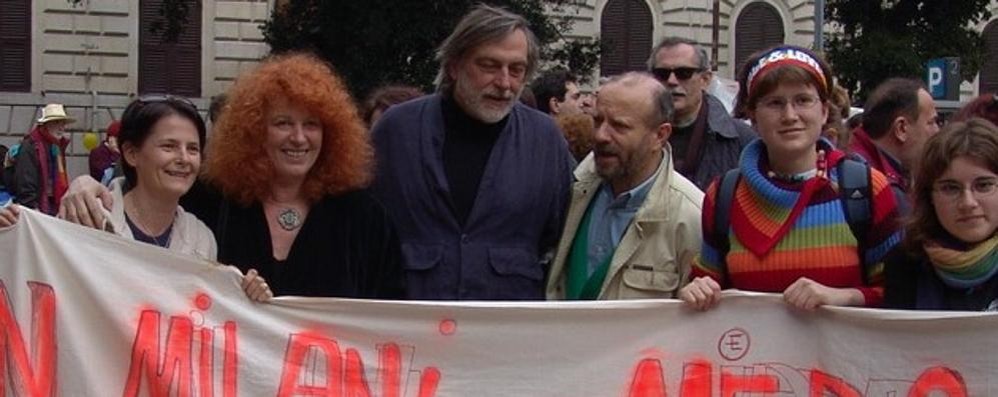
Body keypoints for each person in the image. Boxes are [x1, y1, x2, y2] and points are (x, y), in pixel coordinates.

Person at [59, 53, 406, 299]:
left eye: (311, 125)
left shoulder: (364, 218)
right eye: (283, 123)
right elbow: (146, 198)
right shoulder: (213, 196)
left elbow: (388, 319)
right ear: (255, 131)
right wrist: (87, 186)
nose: (299, 138)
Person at [370, 4, 575, 300]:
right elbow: (361, 225)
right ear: (454, 65)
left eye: (516, 70)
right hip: (410, 327)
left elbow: (560, 234)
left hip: (505, 330)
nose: (504, 83)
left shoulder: (545, 140)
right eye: (489, 66)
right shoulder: (397, 131)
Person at [678, 46, 903, 311]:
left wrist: (842, 297)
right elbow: (708, 283)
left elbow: (897, 295)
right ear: (753, 116)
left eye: (803, 100)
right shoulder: (724, 194)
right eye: (774, 103)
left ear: (823, 111)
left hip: (843, 352)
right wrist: (695, 290)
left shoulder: (864, 189)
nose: (790, 116)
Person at [0, 96, 271, 301]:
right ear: (131, 153)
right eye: (168, 146)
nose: (183, 159)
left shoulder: (202, 239)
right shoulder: (85, 215)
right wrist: (9, 236)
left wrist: (248, 295)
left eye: (193, 149)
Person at [546, 72, 702, 300]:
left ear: (660, 135)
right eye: (598, 120)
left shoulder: (691, 217)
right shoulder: (571, 189)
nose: (600, 136)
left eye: (619, 126)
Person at [885, 118, 998, 311]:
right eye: (950, 188)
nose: (968, 203)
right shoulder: (906, 262)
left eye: (984, 185)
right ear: (929, 196)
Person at [648, 37, 755, 190]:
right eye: (662, 73)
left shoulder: (742, 140)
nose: (672, 81)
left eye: (683, 73)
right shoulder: (633, 133)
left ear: (705, 79)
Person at [849, 78, 940, 195]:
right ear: (901, 129)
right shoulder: (879, 189)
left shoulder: (852, 168)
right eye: (931, 122)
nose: (937, 131)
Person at [9, 104, 74, 215]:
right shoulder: (31, 146)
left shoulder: (57, 147)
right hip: (36, 207)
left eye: (63, 123)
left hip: (53, 205)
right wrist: (32, 207)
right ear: (46, 124)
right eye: (56, 122)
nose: (61, 127)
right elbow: (25, 179)